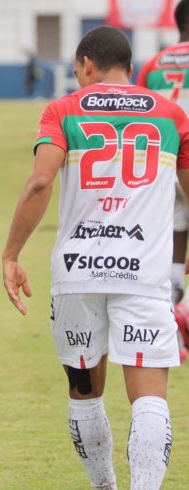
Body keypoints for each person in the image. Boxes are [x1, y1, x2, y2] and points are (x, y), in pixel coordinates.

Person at [2, 26, 189, 490]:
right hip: (144, 274)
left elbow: (42, 179)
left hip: (78, 273)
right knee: (149, 395)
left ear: (85, 64)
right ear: (130, 64)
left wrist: (11, 253)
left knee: (85, 389)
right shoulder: (171, 116)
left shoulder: (64, 110)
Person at [138, 0, 189, 306]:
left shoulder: (153, 65)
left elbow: (140, 118)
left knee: (176, 225)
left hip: (164, 163)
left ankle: (173, 292)